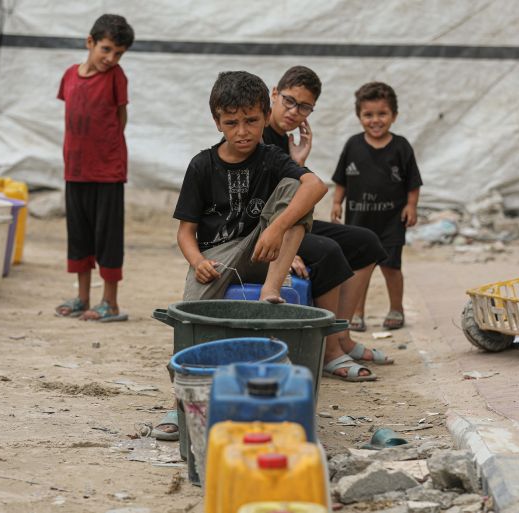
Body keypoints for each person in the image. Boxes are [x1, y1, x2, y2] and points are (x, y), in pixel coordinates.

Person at [264, 65, 392, 382]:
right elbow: (258, 204)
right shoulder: (256, 132)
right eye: (289, 101)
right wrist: (287, 249)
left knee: (366, 242)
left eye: (304, 107)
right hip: (264, 229)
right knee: (327, 251)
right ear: (274, 94)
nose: (294, 112)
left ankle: (342, 335)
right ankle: (330, 350)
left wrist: (298, 162)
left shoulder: (285, 140)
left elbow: (290, 197)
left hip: (288, 223)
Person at [174, 70, 327, 303]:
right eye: (231, 123)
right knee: (192, 314)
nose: (242, 132)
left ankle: (270, 290)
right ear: (217, 123)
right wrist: (198, 262)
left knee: (298, 186)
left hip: (262, 252)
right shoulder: (201, 165)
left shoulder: (272, 157)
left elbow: (316, 186)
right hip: (218, 258)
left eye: (251, 121)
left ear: (266, 117)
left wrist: (276, 229)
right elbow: (185, 232)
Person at [54, 14, 134, 322]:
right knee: (80, 235)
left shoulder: (116, 77)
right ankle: (82, 297)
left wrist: (107, 151)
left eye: (118, 54)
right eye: (106, 49)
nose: (111, 58)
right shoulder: (69, 76)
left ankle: (109, 303)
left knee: (107, 237)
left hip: (107, 172)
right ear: (90, 42)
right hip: (75, 170)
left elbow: (120, 117)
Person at [331, 82, 423, 330]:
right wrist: (337, 202)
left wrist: (411, 206)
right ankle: (356, 313)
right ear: (359, 116)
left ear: (394, 115)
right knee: (359, 270)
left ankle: (396, 309)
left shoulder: (401, 147)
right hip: (358, 224)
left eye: (382, 114)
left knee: (391, 268)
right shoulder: (353, 145)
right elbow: (341, 180)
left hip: (391, 223)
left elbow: (413, 182)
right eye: (368, 114)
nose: (375, 120)